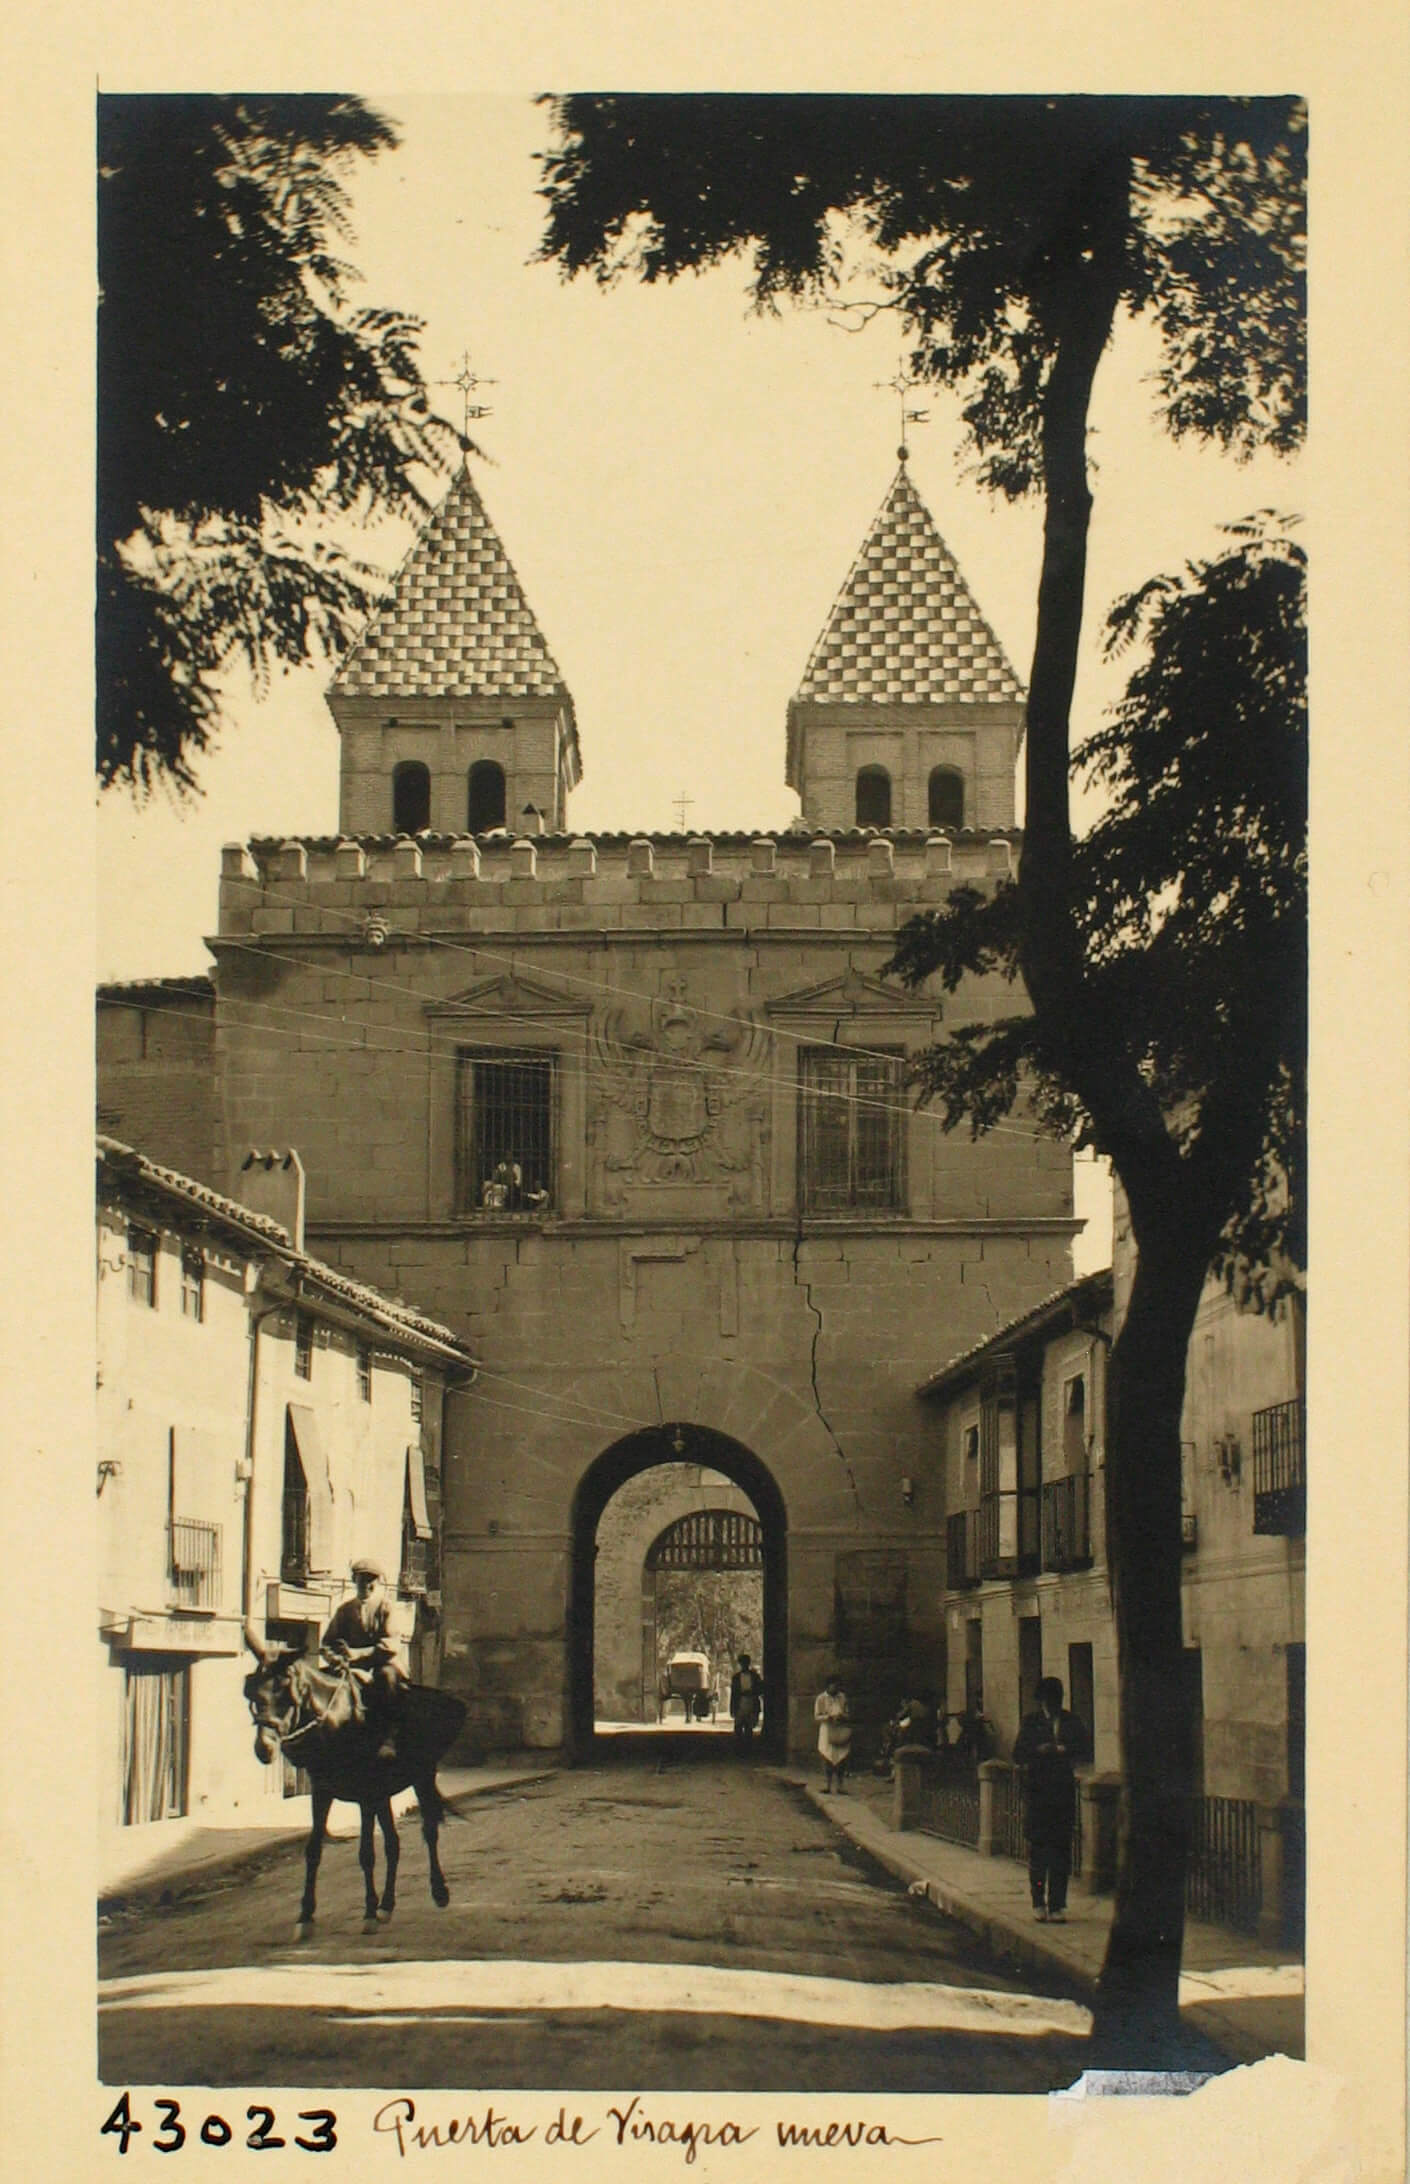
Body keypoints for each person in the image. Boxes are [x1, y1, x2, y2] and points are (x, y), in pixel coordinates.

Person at [1012, 1675, 1090, 1922]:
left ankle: (1057, 1905)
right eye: (1047, 1699)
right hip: (1037, 1793)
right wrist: (1038, 1751)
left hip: (1062, 1793)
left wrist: (1065, 1750)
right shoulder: (1031, 1723)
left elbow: (1086, 1749)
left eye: (1055, 1699)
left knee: (1060, 1851)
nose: (1051, 1704)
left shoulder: (1071, 1721)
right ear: (1041, 1700)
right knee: (1038, 1851)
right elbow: (1018, 1753)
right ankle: (1038, 1902)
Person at [323, 1558, 403, 1762]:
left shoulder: (386, 1608)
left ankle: (389, 1738)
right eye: (361, 1579)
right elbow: (327, 1644)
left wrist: (357, 1653)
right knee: (321, 1681)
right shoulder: (345, 1610)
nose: (366, 1584)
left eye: (370, 1580)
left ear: (377, 1583)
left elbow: (391, 1644)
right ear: (354, 1580)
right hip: (349, 1667)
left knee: (387, 1679)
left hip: (381, 1664)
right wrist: (335, 1658)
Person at [814, 1675, 852, 1794]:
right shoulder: (821, 1699)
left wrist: (843, 1716)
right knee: (827, 1757)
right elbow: (817, 1716)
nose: (835, 1687)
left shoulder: (842, 1697)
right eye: (833, 1685)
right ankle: (827, 1784)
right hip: (827, 1729)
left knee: (842, 1758)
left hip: (840, 1729)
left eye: (837, 1685)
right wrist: (828, 1717)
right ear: (828, 1686)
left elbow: (848, 1713)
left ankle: (840, 1785)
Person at [729, 1652, 762, 1742]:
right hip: (740, 1703)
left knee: (749, 1728)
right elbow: (734, 1694)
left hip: (751, 1702)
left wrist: (752, 1692)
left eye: (746, 1663)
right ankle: (739, 1748)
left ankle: (747, 1748)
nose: (744, 1665)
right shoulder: (736, 1677)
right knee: (738, 1728)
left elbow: (760, 1690)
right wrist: (732, 1708)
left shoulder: (755, 1676)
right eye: (743, 1663)